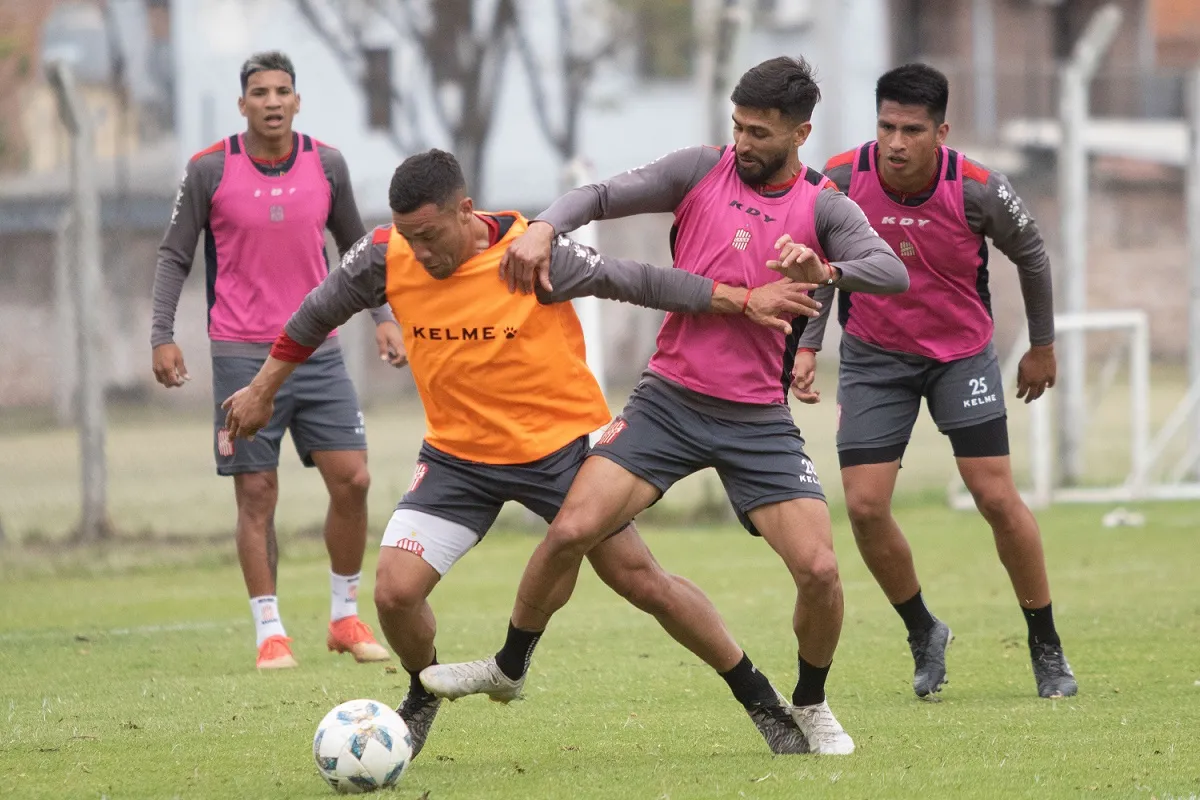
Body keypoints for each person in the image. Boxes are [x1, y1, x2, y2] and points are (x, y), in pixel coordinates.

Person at [222, 148, 828, 758]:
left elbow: (640, 281)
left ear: (466, 211)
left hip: (556, 455)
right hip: (456, 460)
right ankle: (423, 691)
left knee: (643, 582)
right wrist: (261, 388)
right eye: (411, 237)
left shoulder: (531, 256)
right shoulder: (383, 254)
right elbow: (312, 315)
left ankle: (762, 702)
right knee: (394, 593)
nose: (421, 252)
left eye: (430, 236)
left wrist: (742, 299)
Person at [420, 56, 909, 755]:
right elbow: (598, 194)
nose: (743, 142)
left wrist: (826, 270)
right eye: (737, 126)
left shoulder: (824, 205)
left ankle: (810, 701)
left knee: (821, 571)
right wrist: (543, 228)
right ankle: (508, 667)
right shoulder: (699, 168)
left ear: (801, 133)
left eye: (761, 133)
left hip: (757, 420)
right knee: (568, 531)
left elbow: (891, 269)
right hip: (668, 403)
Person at [792, 63, 1077, 699]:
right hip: (873, 357)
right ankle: (923, 629)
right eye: (887, 126)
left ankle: (1046, 642)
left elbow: (1031, 254)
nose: (896, 142)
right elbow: (815, 258)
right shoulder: (837, 180)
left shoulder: (976, 188)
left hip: (960, 356)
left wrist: (1042, 345)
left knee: (996, 497)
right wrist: (807, 344)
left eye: (912, 130)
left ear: (940, 132)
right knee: (864, 507)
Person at [151, 51, 403, 670]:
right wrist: (162, 333)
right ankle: (271, 631)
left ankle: (345, 618)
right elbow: (174, 256)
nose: (271, 101)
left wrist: (384, 317)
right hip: (240, 353)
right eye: (259, 92)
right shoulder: (209, 169)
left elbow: (357, 250)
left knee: (355, 479)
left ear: (297, 101)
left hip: (318, 351)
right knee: (258, 493)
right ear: (243, 105)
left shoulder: (329, 165)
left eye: (282, 91)